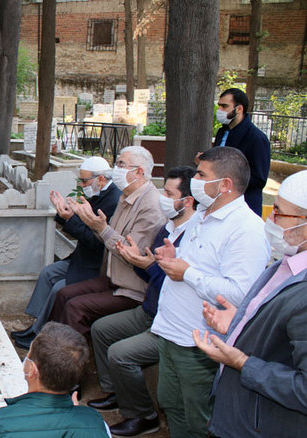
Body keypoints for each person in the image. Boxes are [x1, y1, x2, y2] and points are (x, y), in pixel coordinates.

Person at [150, 147, 270, 437]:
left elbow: (241, 294)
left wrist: (187, 272)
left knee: (199, 421)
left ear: (225, 184)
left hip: (200, 345)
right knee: (172, 405)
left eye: (202, 175)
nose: (195, 181)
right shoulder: (202, 215)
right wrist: (174, 255)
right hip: (171, 332)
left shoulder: (246, 230)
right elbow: (200, 263)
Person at [193, 169, 307, 437]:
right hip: (240, 414)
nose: (271, 219)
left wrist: (242, 362)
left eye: (279, 213)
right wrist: (241, 323)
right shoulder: (286, 264)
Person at [88, 166, 198, 437]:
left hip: (168, 321)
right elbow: (149, 274)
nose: (162, 197)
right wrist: (138, 259)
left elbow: (173, 282)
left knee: (121, 354)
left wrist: (150, 266)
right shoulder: (168, 228)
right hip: (151, 311)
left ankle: (143, 415)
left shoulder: (193, 235)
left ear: (188, 200)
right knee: (101, 329)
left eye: (169, 193)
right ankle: (116, 392)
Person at [38, 146, 166, 342]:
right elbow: (103, 234)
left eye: (122, 164)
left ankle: (70, 362)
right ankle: (48, 348)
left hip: (130, 287)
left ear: (139, 172)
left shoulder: (150, 206)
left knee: (75, 307)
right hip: (109, 276)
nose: (116, 169)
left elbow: (130, 252)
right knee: (63, 294)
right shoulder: (126, 197)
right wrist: (85, 220)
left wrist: (98, 226)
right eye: (117, 164)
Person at [11, 156, 121, 343]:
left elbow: (95, 240)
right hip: (81, 258)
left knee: (58, 288)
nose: (82, 184)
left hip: (94, 265)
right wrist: (64, 214)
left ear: (100, 179)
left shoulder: (113, 201)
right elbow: (82, 225)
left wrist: (71, 218)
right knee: (48, 273)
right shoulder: (98, 193)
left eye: (85, 180)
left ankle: (42, 334)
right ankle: (37, 324)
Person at [0, 322, 110, 438]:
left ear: (33, 370)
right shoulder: (98, 424)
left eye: (28, 355)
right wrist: (78, 417)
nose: (25, 359)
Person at [212, 88, 270, 216]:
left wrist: (229, 181)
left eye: (224, 106)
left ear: (239, 109)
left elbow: (259, 179)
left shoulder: (256, 138)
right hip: (220, 202)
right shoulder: (222, 132)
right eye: (219, 106)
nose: (220, 110)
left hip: (244, 206)